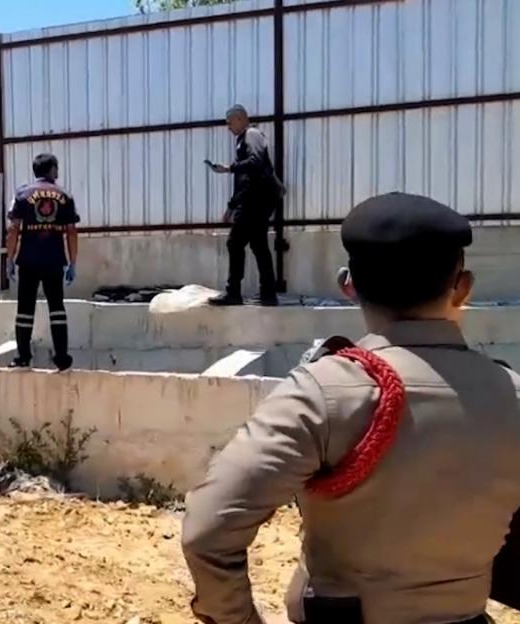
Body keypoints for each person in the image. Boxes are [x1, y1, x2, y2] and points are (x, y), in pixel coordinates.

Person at [181, 192, 520, 624]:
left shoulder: (322, 392)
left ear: (348, 284)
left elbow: (208, 532)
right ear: (464, 286)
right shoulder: (511, 395)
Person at [5, 153, 80, 370]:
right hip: (54, 260)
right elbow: (71, 231)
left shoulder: (21, 194)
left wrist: (10, 258)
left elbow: (13, 229)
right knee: (56, 308)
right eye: (56, 168)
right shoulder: (65, 195)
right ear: (52, 169)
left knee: (25, 309)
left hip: (28, 260)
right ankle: (62, 357)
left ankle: (22, 357)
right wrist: (73, 262)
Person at [208, 104, 281, 307]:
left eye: (229, 122)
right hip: (254, 199)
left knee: (235, 243)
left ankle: (234, 293)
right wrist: (231, 207)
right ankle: (268, 294)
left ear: (240, 118)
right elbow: (243, 180)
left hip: (255, 201)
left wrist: (229, 168)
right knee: (259, 246)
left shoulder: (252, 135)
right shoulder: (245, 138)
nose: (228, 127)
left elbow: (255, 162)